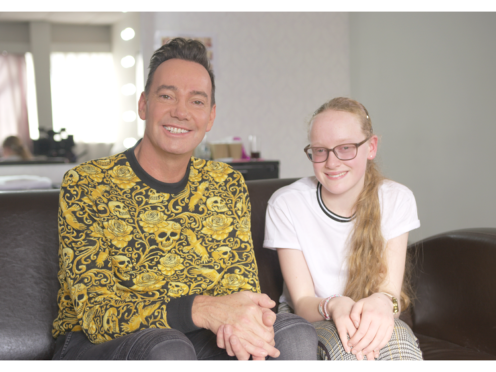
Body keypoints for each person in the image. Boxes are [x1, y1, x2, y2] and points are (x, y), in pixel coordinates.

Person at [51, 38, 317, 360]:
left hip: (201, 338)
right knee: (169, 347)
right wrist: (200, 309)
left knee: (294, 333)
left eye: (196, 101)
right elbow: (98, 316)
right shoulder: (87, 183)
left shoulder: (226, 183)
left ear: (210, 116)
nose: (180, 112)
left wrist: (249, 321)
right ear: (143, 104)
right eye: (167, 96)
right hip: (98, 344)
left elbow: (242, 295)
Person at [263, 97, 423, 360]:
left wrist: (382, 302)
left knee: (399, 341)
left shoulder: (397, 199)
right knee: (350, 353)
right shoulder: (286, 203)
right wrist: (335, 305)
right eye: (320, 150)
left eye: (346, 148)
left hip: (367, 315)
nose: (332, 162)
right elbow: (302, 303)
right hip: (311, 317)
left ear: (370, 147)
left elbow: (390, 295)